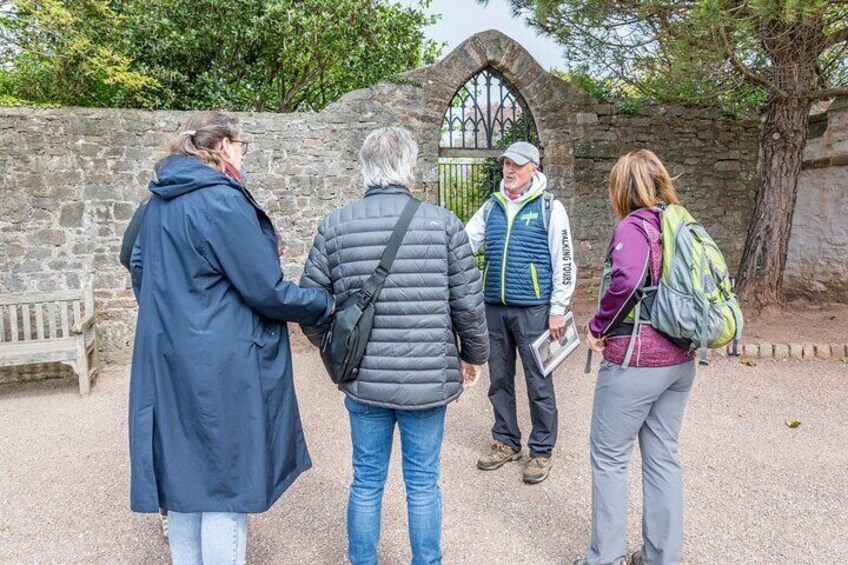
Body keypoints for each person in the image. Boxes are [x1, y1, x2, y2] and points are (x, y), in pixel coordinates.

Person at [127, 111, 333, 565]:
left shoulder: (157, 203)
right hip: (220, 364)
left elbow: (137, 265)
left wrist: (175, 312)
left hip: (166, 355)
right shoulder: (221, 201)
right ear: (223, 147)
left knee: (183, 483)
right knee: (224, 484)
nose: (244, 156)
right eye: (243, 146)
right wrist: (324, 304)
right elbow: (267, 289)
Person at [300, 126, 488, 565]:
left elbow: (310, 303)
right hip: (428, 379)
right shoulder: (444, 225)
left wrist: (333, 352)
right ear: (410, 168)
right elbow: (469, 305)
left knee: (366, 480)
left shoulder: (335, 226)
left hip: (364, 379)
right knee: (423, 483)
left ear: (365, 169)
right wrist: (472, 356)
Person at [574, 149, 696, 565]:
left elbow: (626, 279)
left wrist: (597, 327)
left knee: (609, 458)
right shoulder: (681, 224)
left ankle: (604, 558)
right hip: (680, 360)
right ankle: (662, 557)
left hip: (636, 360)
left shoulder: (634, 226)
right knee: (663, 456)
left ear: (622, 188)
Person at [464, 141, 576, 484]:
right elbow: (464, 242)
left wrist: (558, 308)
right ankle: (506, 440)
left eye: (517, 165)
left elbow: (565, 262)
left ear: (534, 169)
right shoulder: (491, 206)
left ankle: (541, 450)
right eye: (505, 164)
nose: (509, 170)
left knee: (538, 380)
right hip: (494, 307)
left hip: (534, 309)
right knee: (499, 378)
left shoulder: (549, 208)